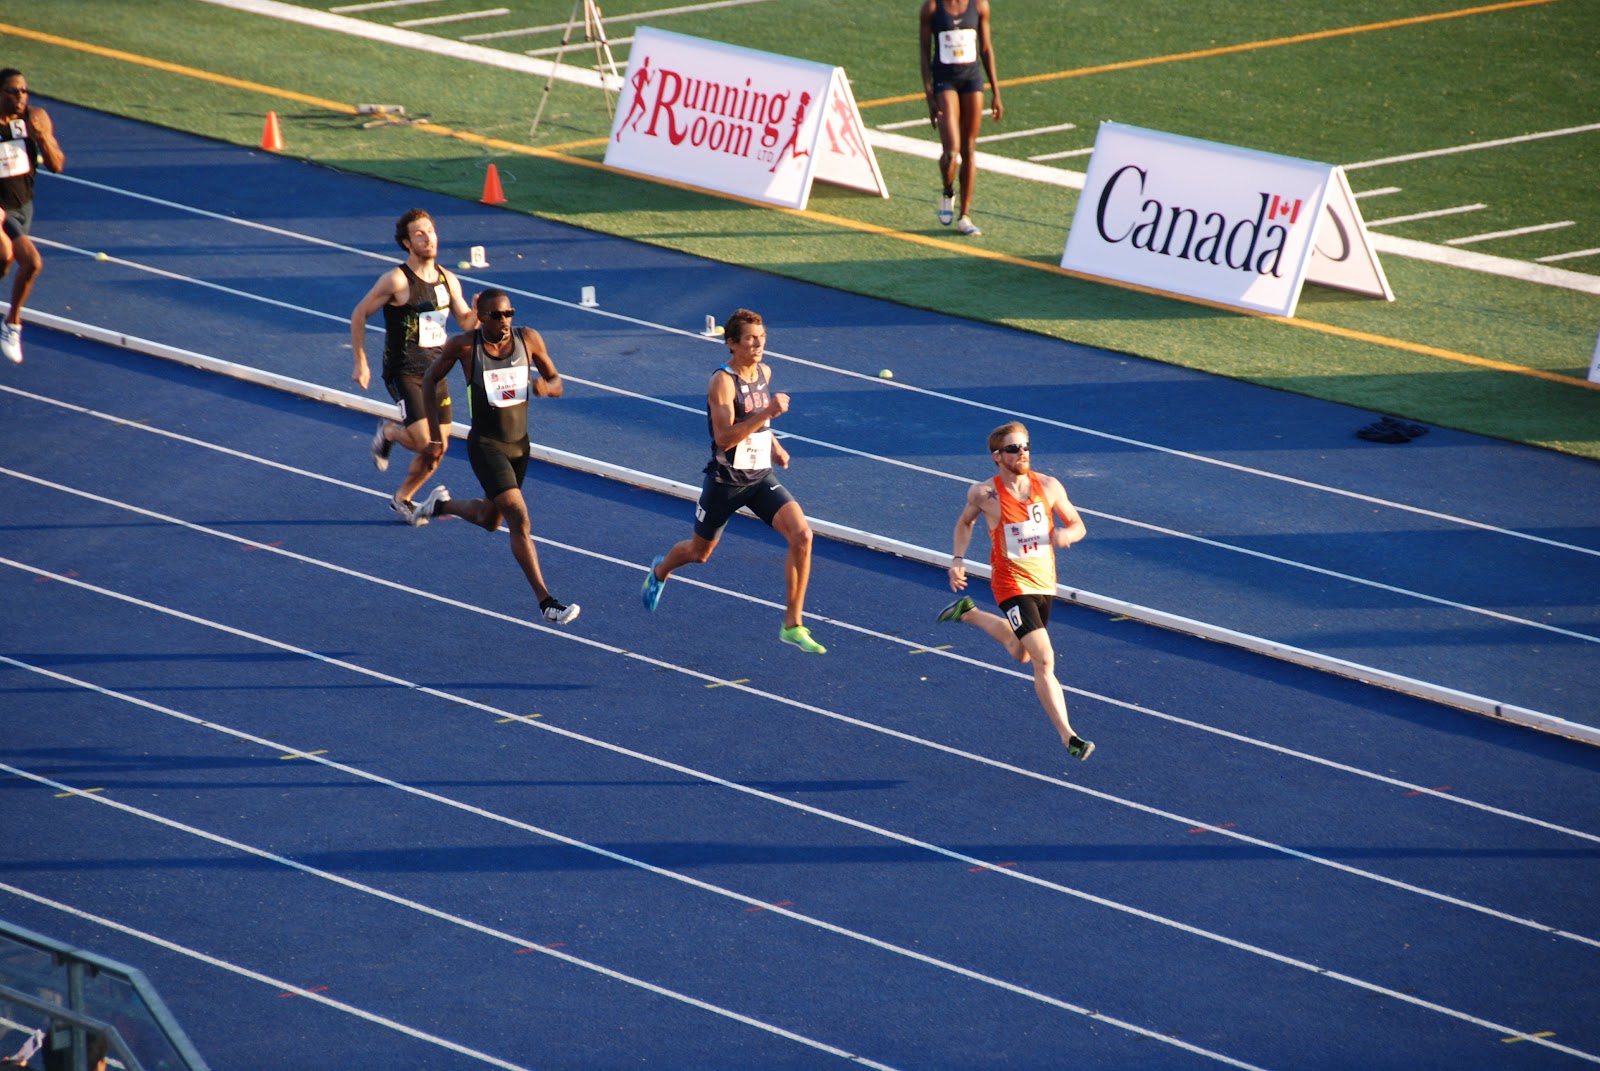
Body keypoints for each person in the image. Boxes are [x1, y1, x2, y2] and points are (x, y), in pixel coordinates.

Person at [640, 308, 825, 654]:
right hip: (726, 481)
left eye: (762, 338)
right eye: (751, 339)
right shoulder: (722, 382)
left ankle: (793, 624)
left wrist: (775, 446)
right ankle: (660, 571)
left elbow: (757, 424)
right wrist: (768, 412)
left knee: (803, 535)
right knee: (699, 553)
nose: (758, 345)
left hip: (759, 477)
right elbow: (725, 438)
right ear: (731, 343)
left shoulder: (764, 372)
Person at [413, 289, 580, 626]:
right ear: (482, 317)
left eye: (509, 314)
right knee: (519, 515)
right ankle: (547, 602)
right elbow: (429, 380)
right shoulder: (463, 346)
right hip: (486, 445)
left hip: (520, 446)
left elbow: (557, 380)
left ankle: (439, 505)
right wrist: (433, 436)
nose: (504, 321)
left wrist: (548, 387)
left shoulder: (528, 339)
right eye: (496, 315)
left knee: (492, 520)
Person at [939, 422, 1094, 760]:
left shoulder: (1050, 486)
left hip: (1044, 583)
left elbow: (1078, 523)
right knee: (1043, 657)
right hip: (1010, 584)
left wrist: (1068, 535)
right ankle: (1070, 737)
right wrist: (957, 559)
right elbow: (965, 523)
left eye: (1025, 447)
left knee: (1019, 651)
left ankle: (969, 613)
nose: (1022, 453)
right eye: (1013, 449)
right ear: (997, 456)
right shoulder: (984, 494)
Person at [350, 208, 477, 521]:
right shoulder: (396, 280)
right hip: (403, 370)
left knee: (437, 450)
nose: (427, 238)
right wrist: (360, 362)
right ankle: (390, 432)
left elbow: (464, 320)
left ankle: (403, 499)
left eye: (430, 232)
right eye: (419, 234)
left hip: (436, 372)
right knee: (423, 440)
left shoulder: (449, 280)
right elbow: (359, 314)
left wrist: (480, 314)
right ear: (407, 243)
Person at [0, 68, 68, 365]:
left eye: (25, 91)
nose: (21, 97)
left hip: (23, 207)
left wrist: (43, 137)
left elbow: (57, 165)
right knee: (28, 260)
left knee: (4, 264)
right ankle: (12, 324)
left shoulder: (34, 118)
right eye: (13, 91)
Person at [918, 0, 1001, 237]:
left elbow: (986, 48)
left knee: (969, 149)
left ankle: (965, 215)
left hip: (972, 81)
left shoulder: (979, 6)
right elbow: (924, 52)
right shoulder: (932, 8)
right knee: (951, 150)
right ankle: (947, 191)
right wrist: (929, 94)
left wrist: (996, 92)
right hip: (945, 83)